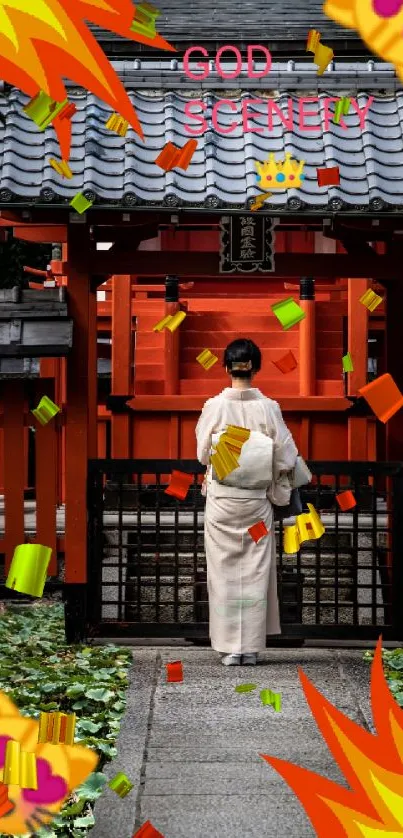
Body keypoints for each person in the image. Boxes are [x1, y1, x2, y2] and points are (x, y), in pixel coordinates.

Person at [195, 338, 299, 666]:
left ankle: (229, 648)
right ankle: (250, 648)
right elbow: (286, 457)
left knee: (223, 570)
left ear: (227, 368)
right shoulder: (269, 408)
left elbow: (202, 454)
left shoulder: (214, 406)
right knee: (255, 568)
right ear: (255, 367)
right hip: (255, 503)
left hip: (223, 501)